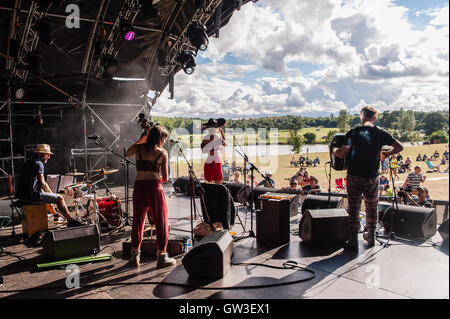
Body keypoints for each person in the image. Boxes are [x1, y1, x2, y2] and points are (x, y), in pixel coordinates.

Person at [333, 105, 403, 250]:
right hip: (372, 177)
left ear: (362, 117)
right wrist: (387, 154)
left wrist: (333, 149)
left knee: (353, 208)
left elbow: (342, 153)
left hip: (354, 176)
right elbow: (399, 147)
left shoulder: (353, 133)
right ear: (374, 118)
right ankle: (371, 236)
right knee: (372, 207)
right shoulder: (380, 133)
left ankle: (353, 239)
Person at [125, 125, 176, 268]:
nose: (164, 142)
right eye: (164, 139)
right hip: (154, 188)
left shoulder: (138, 148)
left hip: (139, 187)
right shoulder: (162, 153)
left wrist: (142, 138)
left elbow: (127, 153)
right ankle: (162, 256)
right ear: (159, 138)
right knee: (161, 220)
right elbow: (165, 178)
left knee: (138, 220)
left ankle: (135, 255)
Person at [15, 144, 84, 228]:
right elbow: (43, 183)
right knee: (59, 198)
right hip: (30, 196)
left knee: (47, 196)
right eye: (47, 155)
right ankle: (70, 221)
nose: (49, 157)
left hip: (22, 196)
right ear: (41, 154)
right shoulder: (38, 164)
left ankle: (56, 215)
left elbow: (35, 184)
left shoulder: (28, 163)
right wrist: (53, 194)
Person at [200, 118, 227, 184]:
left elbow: (224, 144)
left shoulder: (216, 136)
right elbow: (203, 150)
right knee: (213, 180)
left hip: (214, 159)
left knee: (215, 180)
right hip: (213, 159)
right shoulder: (212, 137)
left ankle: (215, 193)